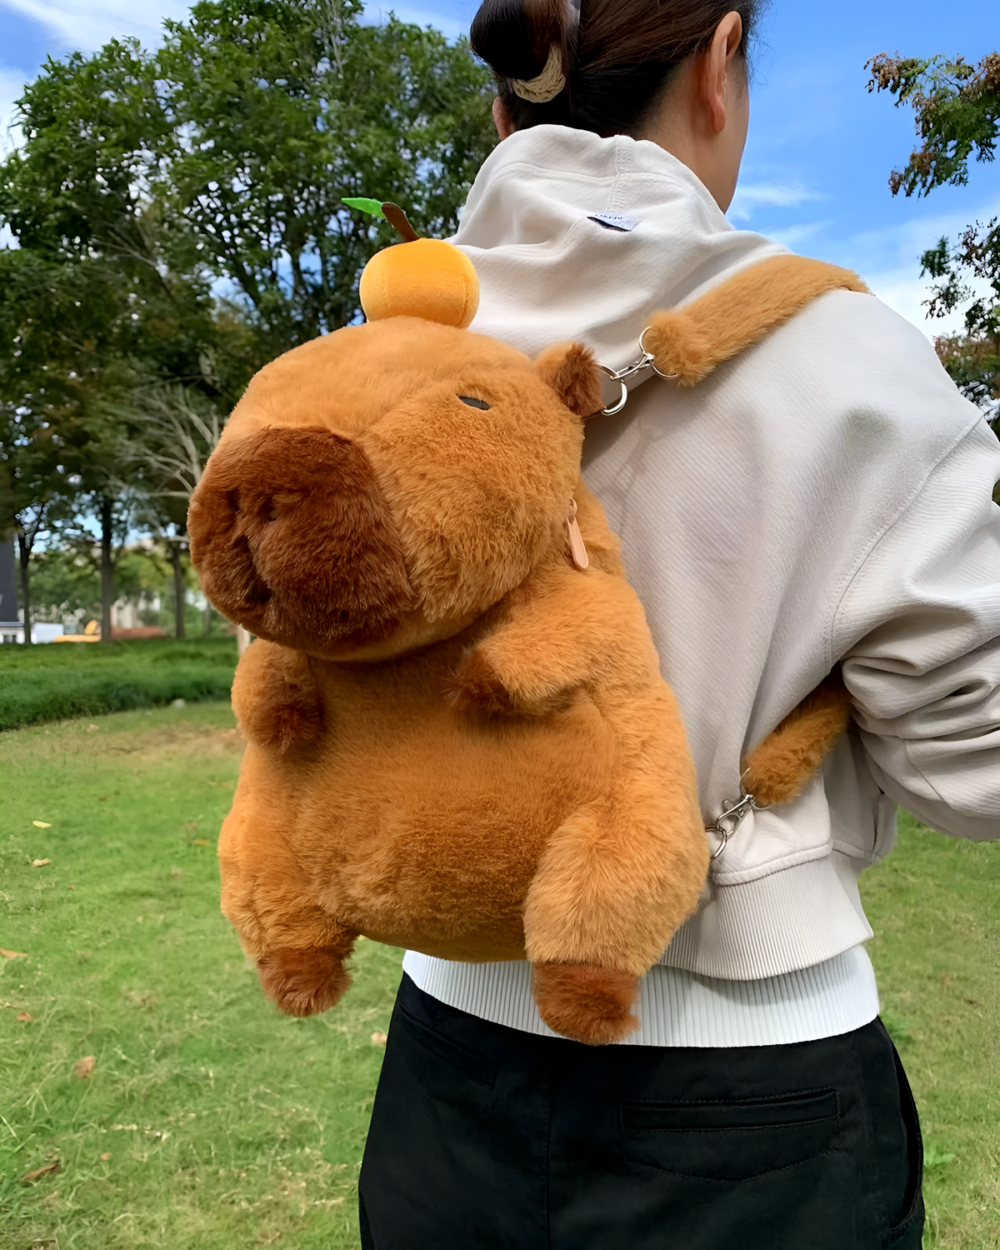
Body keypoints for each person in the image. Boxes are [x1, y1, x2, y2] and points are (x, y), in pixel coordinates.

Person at [357, 3, 1000, 1247]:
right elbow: (975, 773)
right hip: (757, 1101)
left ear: (505, 100)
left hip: (448, 1069)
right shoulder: (857, 366)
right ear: (718, 66)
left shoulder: (381, 353)